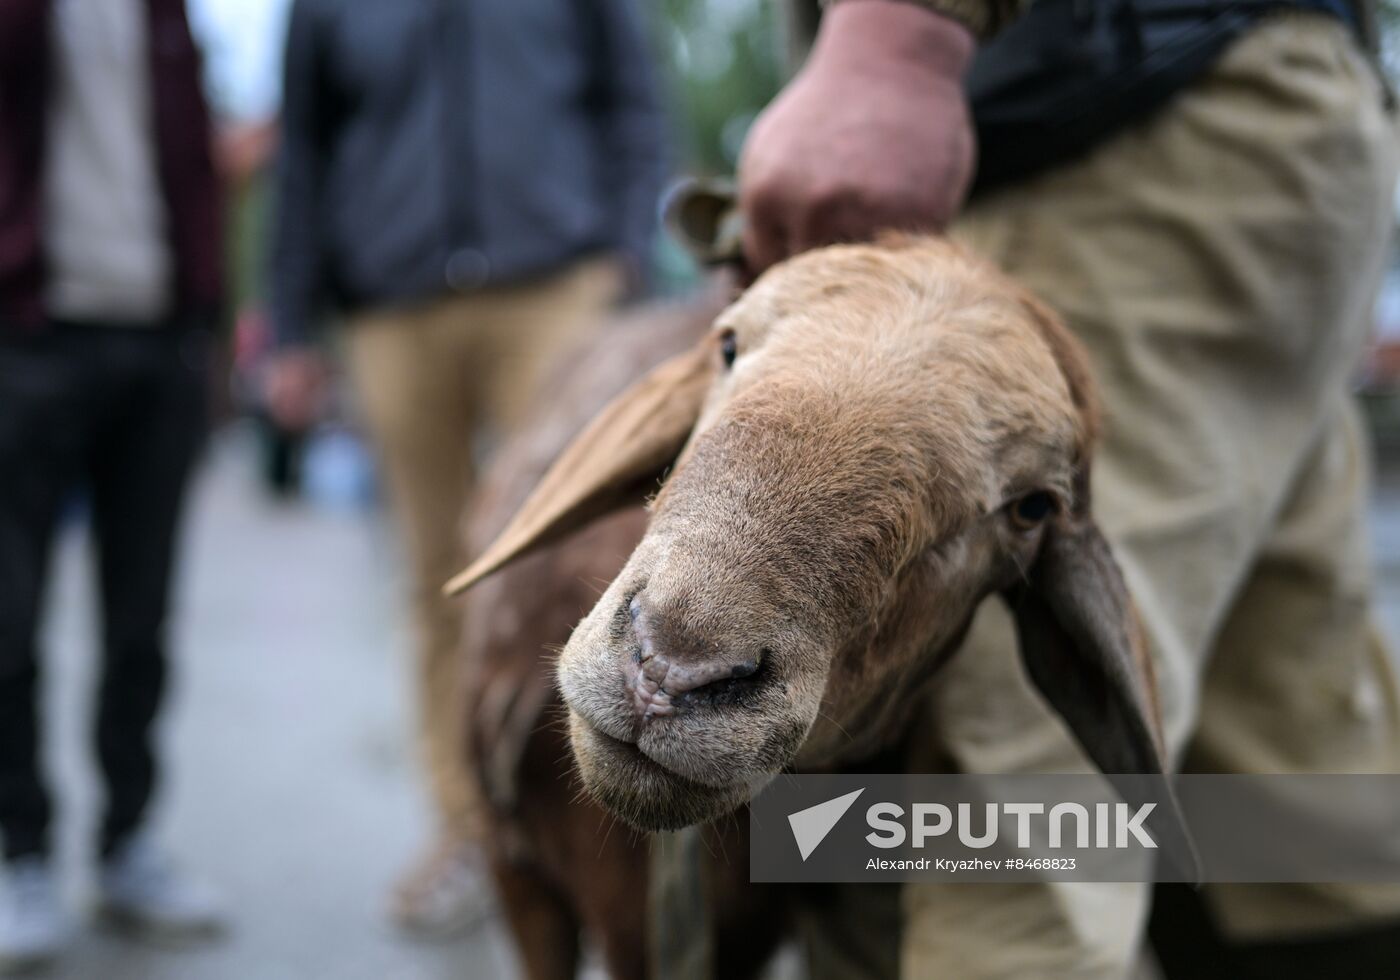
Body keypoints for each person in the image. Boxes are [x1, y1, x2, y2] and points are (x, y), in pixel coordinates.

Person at [659, 0, 1400, 976]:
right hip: (1257, 123)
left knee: (995, 822)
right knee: (1280, 792)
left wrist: (900, 31)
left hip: (1121, 122)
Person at [269, 0, 668, 937]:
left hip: (555, 286)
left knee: (594, 560)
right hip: (394, 305)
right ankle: (469, 831)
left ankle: (611, 826)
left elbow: (634, 103)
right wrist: (290, 327)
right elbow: (303, 154)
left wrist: (625, 258)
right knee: (439, 575)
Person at [0, 0, 227, 970]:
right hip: (26, 335)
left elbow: (197, 157)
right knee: (9, 616)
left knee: (141, 619)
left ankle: (127, 838)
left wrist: (208, 316)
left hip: (157, 337)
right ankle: (22, 851)